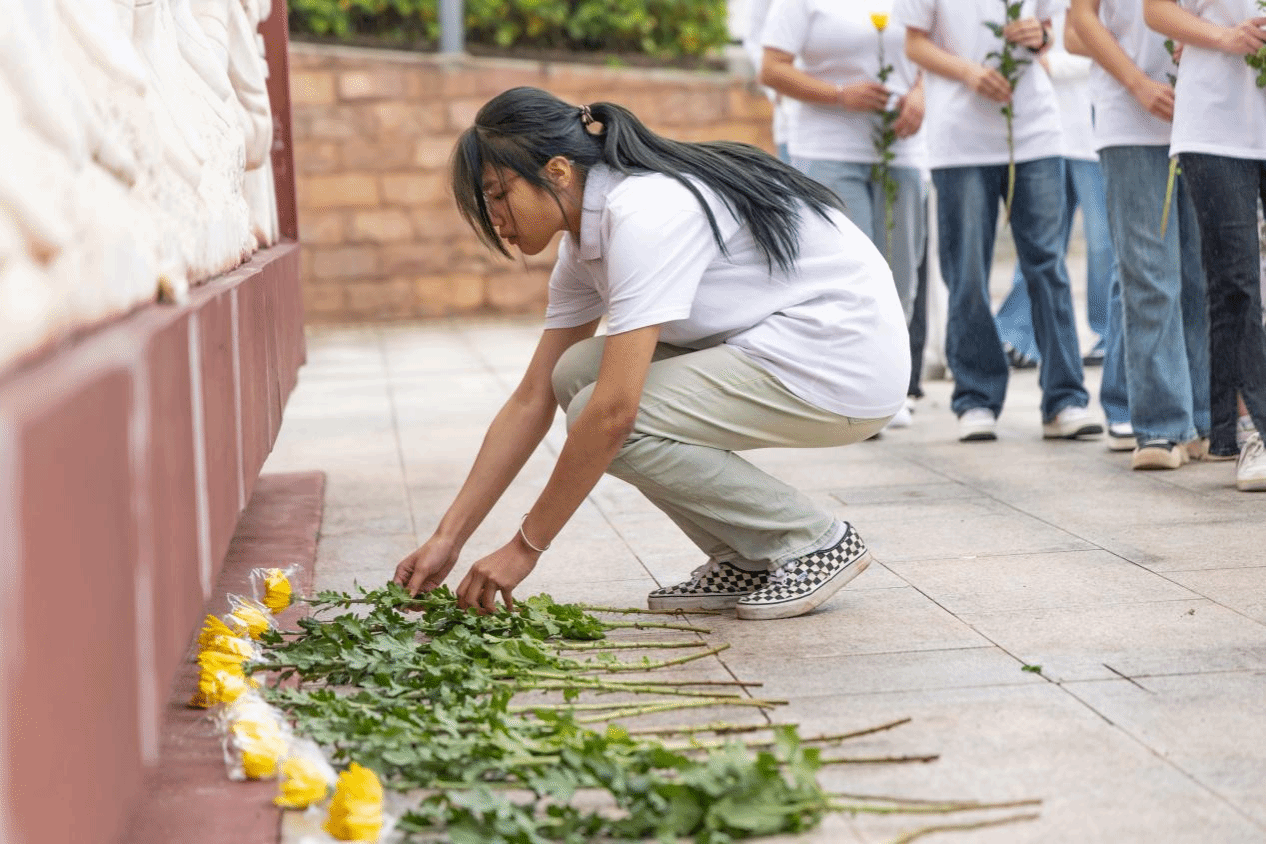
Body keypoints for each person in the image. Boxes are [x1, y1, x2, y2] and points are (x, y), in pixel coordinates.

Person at [391, 87, 911, 618]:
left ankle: (810, 541)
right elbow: (531, 398)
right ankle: (746, 556)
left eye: (499, 194)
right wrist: (448, 538)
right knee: (573, 375)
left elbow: (615, 414)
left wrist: (524, 549)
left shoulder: (645, 213)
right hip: (784, 348)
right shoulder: (586, 240)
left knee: (606, 415)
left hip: (842, 361)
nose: (493, 216)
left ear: (559, 171)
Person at [895, 0, 1103, 443]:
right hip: (959, 139)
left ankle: (1065, 399)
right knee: (967, 272)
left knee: (1048, 265)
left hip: (1035, 132)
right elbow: (914, 44)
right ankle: (976, 398)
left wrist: (1040, 37)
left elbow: (1049, 30)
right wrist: (969, 72)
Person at [758, 0, 928, 429]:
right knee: (850, 277)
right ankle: (850, 390)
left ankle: (890, 386)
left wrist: (921, 95)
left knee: (902, 274)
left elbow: (934, 50)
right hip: (828, 149)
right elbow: (772, 69)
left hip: (902, 151)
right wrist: (838, 95)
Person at [1067, 0, 1210, 471]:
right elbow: (1081, 18)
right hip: (1128, 116)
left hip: (1207, 114)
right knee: (1149, 276)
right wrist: (1138, 84)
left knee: (1201, 276)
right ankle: (1162, 426)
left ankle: (1205, 420)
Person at [1143, 0, 1266, 489]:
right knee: (1236, 283)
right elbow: (1156, 10)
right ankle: (1253, 430)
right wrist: (1224, 37)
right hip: (1214, 125)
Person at [996, 10, 1131, 451]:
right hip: (1047, 136)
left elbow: (1093, 44)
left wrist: (1049, 61)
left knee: (1102, 243)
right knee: (1042, 248)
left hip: (1089, 135)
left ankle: (1104, 333)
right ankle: (1014, 333)